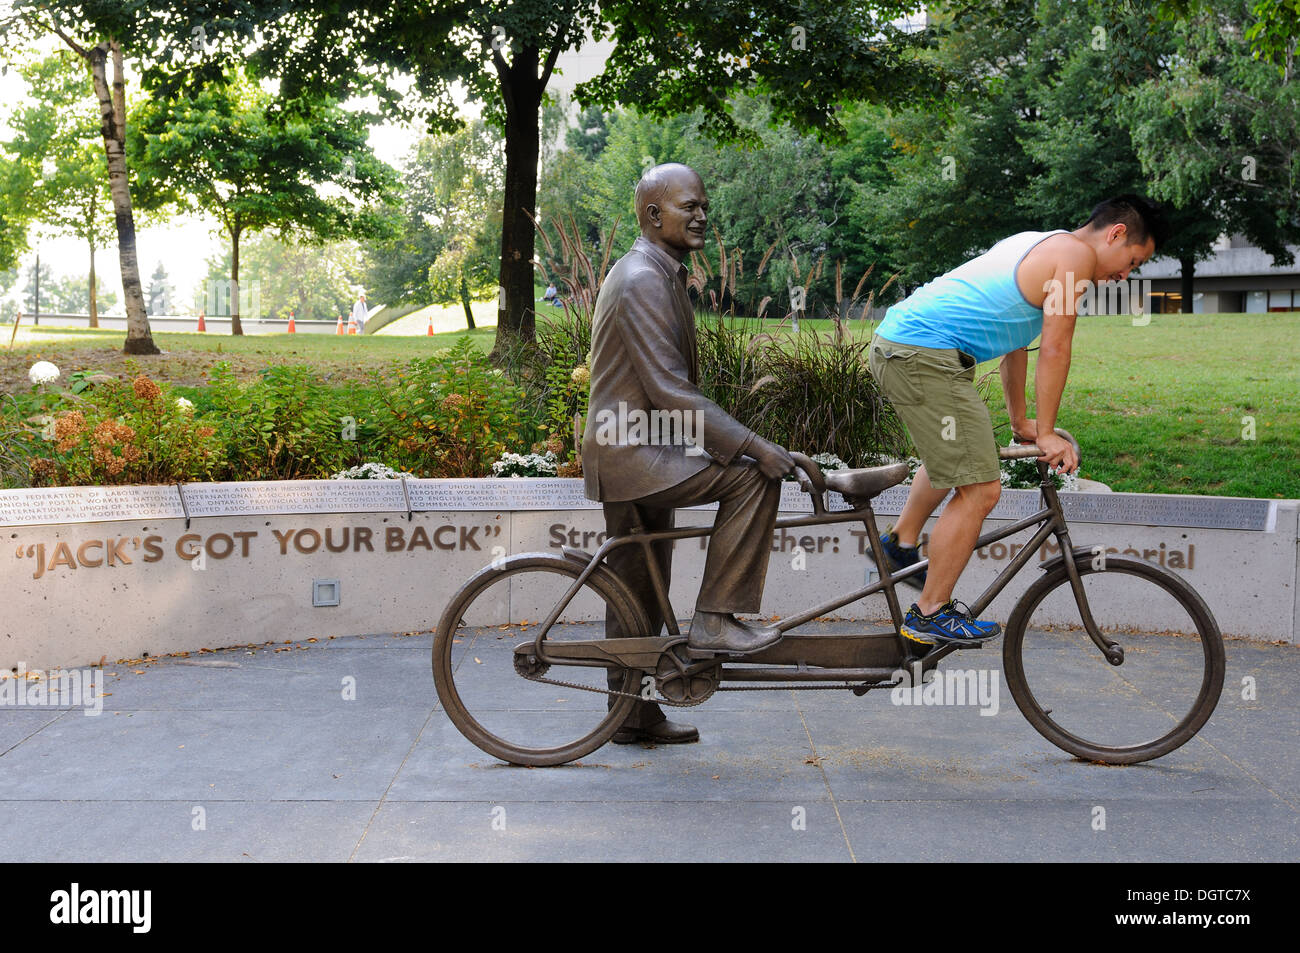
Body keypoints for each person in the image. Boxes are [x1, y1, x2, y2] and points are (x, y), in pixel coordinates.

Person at [869, 194, 1169, 646]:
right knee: (982, 489)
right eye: (1132, 261)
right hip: (922, 354)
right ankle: (928, 614)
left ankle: (899, 545)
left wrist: (1022, 419)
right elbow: (1055, 347)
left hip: (911, 348)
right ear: (1117, 233)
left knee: (968, 454)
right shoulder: (1074, 258)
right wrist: (1047, 434)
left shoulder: (1040, 243)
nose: (1124, 276)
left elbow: (1014, 343)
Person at [582, 162, 797, 745]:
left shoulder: (657, 272)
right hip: (632, 450)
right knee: (751, 478)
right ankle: (716, 619)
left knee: (638, 581)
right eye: (689, 206)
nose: (702, 215)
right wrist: (755, 447)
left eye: (704, 205)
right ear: (654, 216)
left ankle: (626, 714)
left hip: (634, 448)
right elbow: (670, 390)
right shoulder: (643, 279)